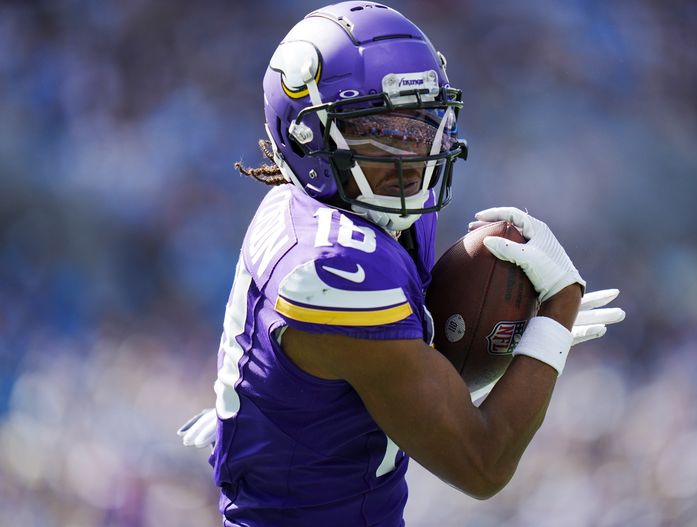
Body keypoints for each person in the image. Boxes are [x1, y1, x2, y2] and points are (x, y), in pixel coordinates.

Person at [178, 2, 625, 525]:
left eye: (420, 126)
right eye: (381, 133)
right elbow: (482, 466)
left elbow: (379, 372)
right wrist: (556, 310)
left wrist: (283, 410)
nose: (411, 157)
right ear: (306, 136)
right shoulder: (334, 267)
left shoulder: (344, 205)